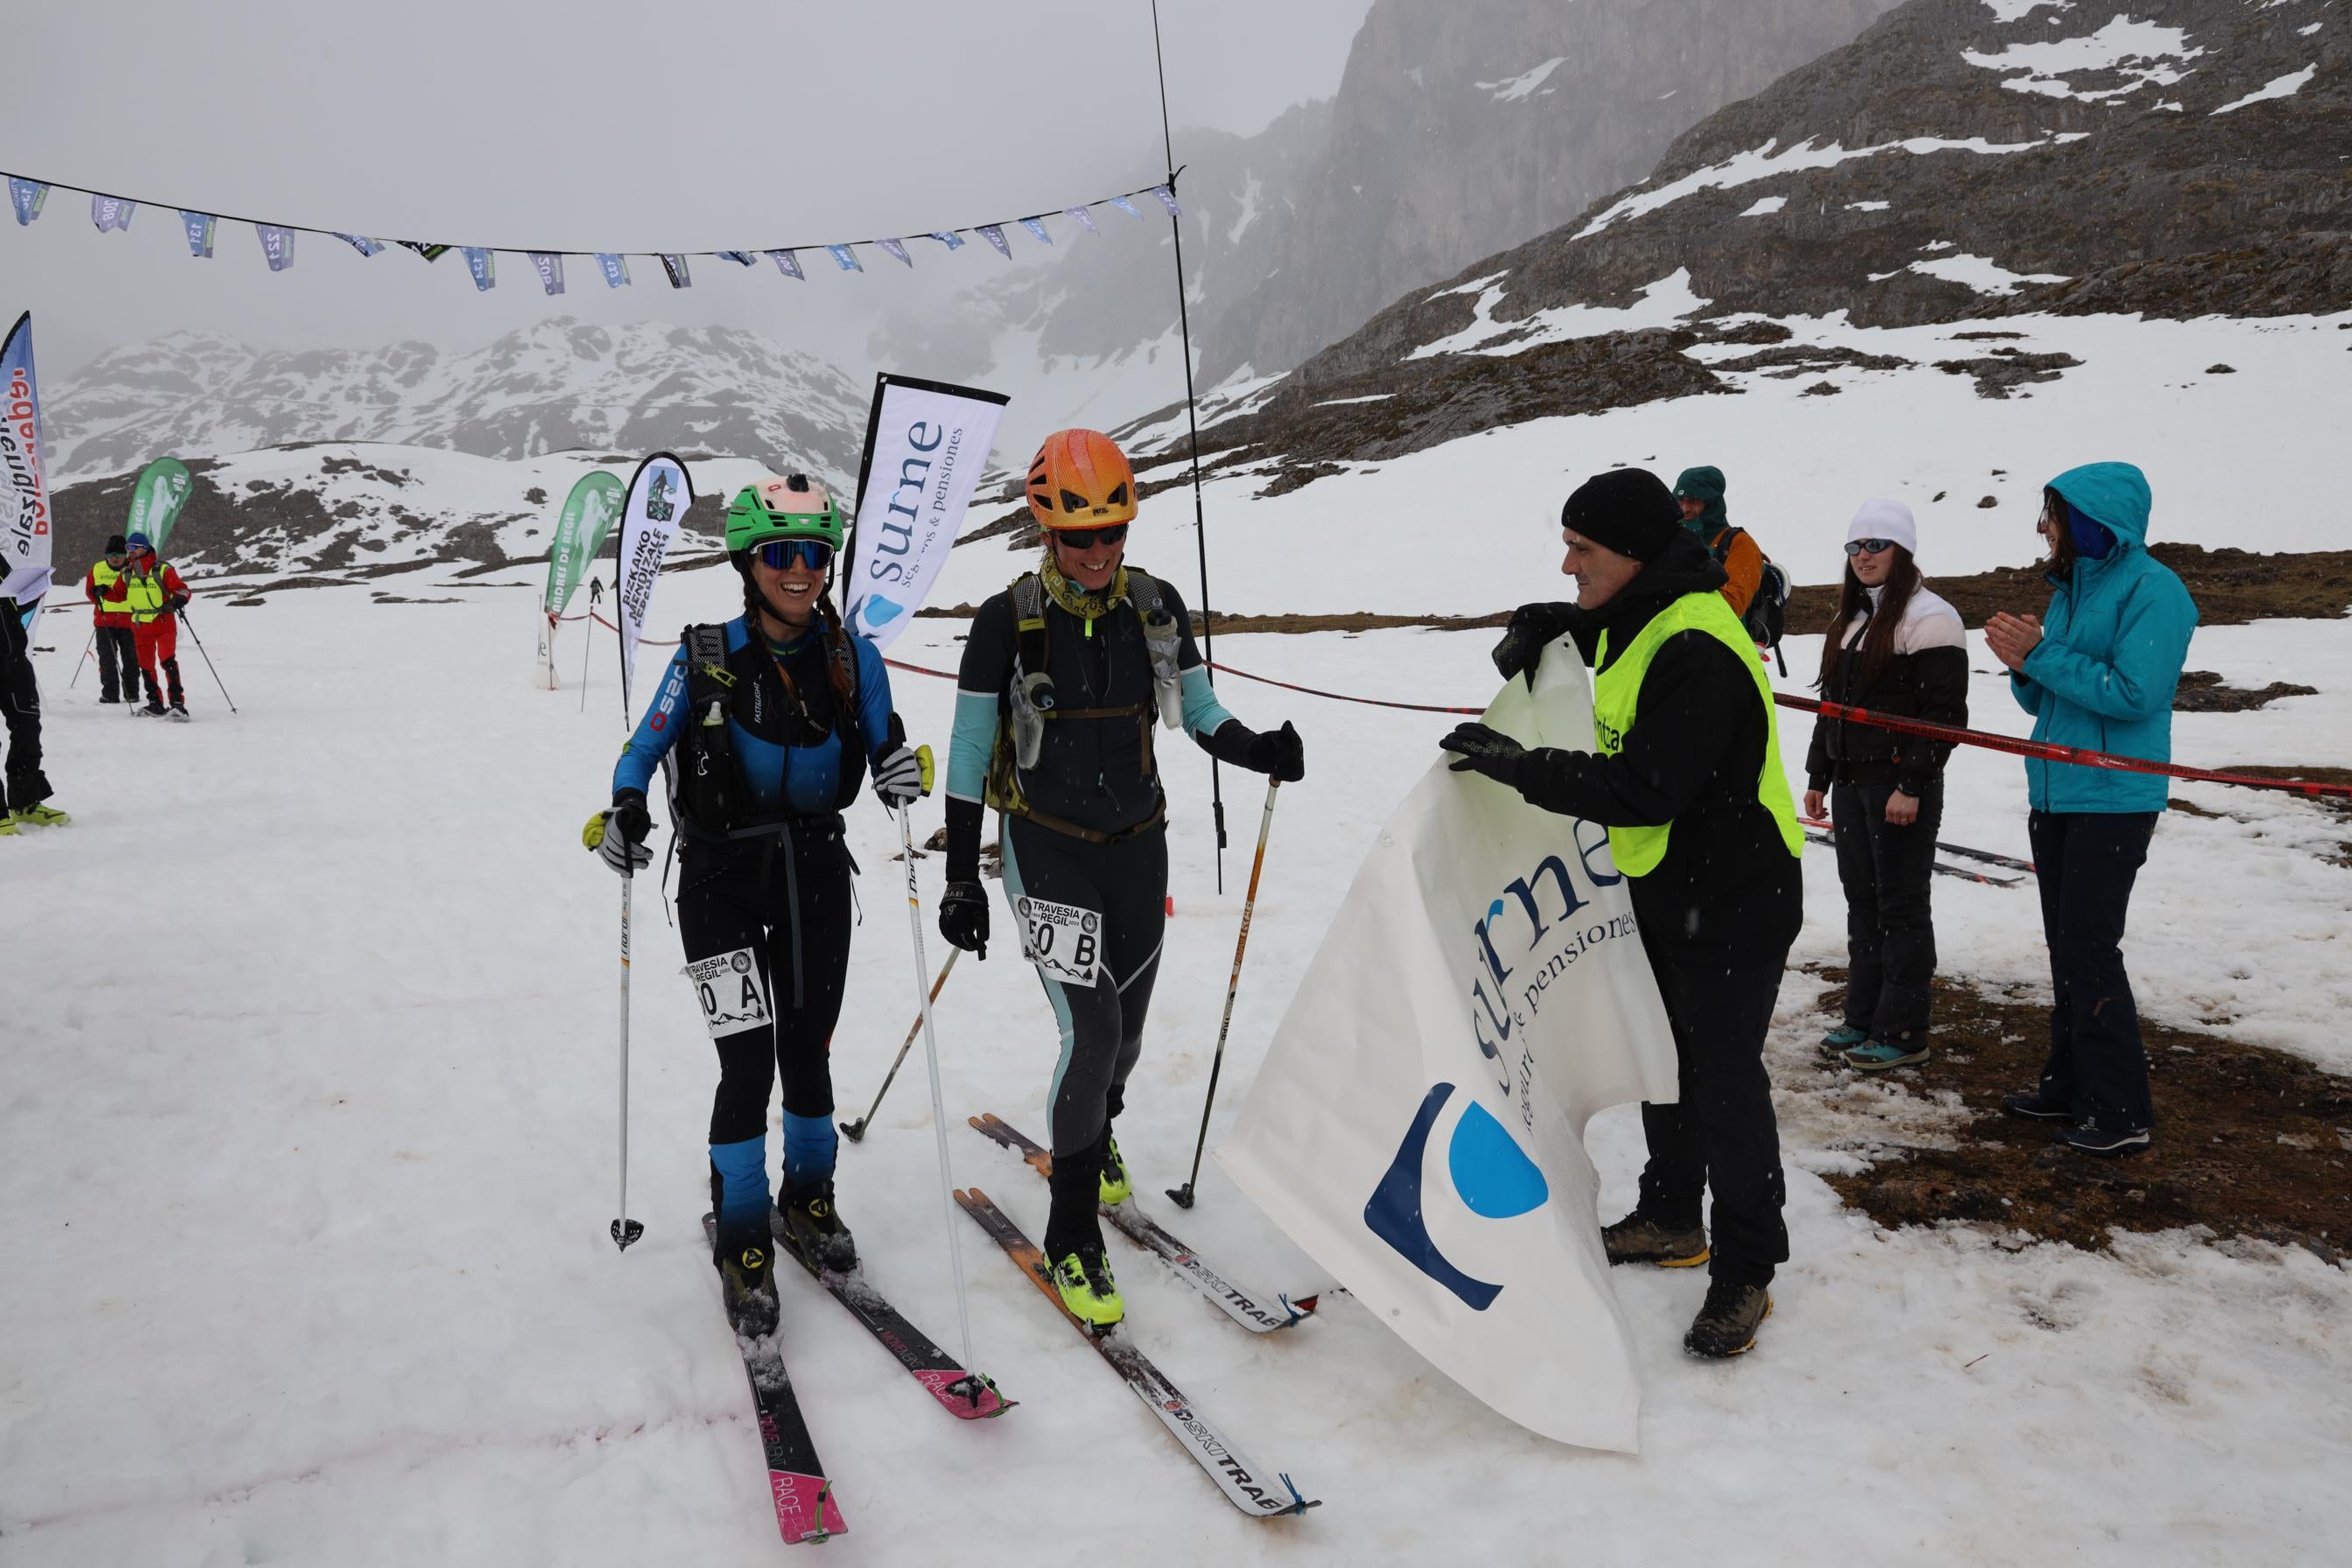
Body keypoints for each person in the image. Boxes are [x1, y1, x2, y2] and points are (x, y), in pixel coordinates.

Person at [936, 428, 1305, 1330]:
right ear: (1044, 529)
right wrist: (960, 876)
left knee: (1128, 1040)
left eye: (1112, 531)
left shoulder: (1156, 603)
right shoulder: (1006, 619)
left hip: (1140, 845)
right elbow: (969, 753)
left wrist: (1257, 748)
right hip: (1046, 843)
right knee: (1091, 1027)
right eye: (1078, 535)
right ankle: (1072, 1233)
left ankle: (1095, 1137)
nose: (1097, 553)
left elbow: (1198, 706)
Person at [1444, 467, 1802, 1359]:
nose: (1568, 565)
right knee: (1662, 1055)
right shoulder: (1647, 607)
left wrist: (1518, 763)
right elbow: (1607, 622)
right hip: (1675, 888)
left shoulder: (1699, 648)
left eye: (1581, 551)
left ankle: (1747, 1266)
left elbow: (1645, 787)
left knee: (1723, 1081)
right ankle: (1673, 1215)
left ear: (1633, 556)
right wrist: (1550, 619)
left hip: (1737, 896)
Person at [582, 472, 928, 1336]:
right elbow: (640, 751)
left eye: (814, 553)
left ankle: (809, 1200)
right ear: (748, 560)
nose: (799, 569)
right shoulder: (704, 656)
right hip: (717, 884)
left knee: (807, 1050)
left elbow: (892, 747)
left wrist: (901, 771)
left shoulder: (857, 661)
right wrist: (626, 809)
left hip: (814, 874)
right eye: (780, 552)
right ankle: (743, 1231)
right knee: (746, 1062)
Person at [1985, 463, 2195, 1158]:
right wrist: (2024, 666)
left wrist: (2041, 655)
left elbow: (2136, 693)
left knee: (2089, 946)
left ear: (2093, 520)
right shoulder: (2069, 591)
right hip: (2057, 789)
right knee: (2065, 943)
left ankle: (2120, 1109)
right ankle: (2071, 1083)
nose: (2046, 529)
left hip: (2114, 796)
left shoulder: (2155, 591)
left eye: (2056, 514)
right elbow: (2043, 701)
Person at [1802, 500, 1968, 1072]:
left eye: (1877, 545)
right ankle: (1863, 1017)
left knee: (1900, 908)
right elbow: (1832, 708)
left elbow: (1944, 717)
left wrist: (1913, 783)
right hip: (1851, 782)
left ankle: (1903, 1029)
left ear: (1903, 551)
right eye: (1855, 547)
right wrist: (1819, 774)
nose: (1864, 557)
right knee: (1863, 904)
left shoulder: (1931, 618)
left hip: (1898, 786)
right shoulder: (1852, 619)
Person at [2, 572, 66, 834]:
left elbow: (12, 605)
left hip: (14, 663)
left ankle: (25, 802)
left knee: (28, 731)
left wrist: (31, 597)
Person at [104, 532, 191, 718]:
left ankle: (177, 703)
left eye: (133, 547)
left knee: (167, 662)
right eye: (128, 548)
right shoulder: (127, 572)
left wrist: (179, 599)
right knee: (146, 665)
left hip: (163, 622)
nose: (130, 551)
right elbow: (118, 595)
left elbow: (182, 588)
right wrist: (102, 592)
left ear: (144, 548)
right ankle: (155, 702)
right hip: (140, 626)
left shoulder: (162, 569)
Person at [1673, 466, 1765, 620]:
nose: (1684, 508)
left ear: (1712, 503)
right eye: (1680, 500)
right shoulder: (1673, 541)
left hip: (1723, 641)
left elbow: (1729, 607)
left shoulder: (1741, 544)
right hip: (1676, 639)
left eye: (1693, 501)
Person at [83, 535, 137, 704]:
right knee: (107, 658)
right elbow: (89, 591)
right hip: (104, 620)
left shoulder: (133, 568)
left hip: (129, 621)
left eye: (119, 555)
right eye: (110, 555)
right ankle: (110, 693)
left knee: (131, 658)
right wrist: (97, 597)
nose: (114, 559)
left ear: (125, 555)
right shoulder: (97, 568)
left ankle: (132, 693)